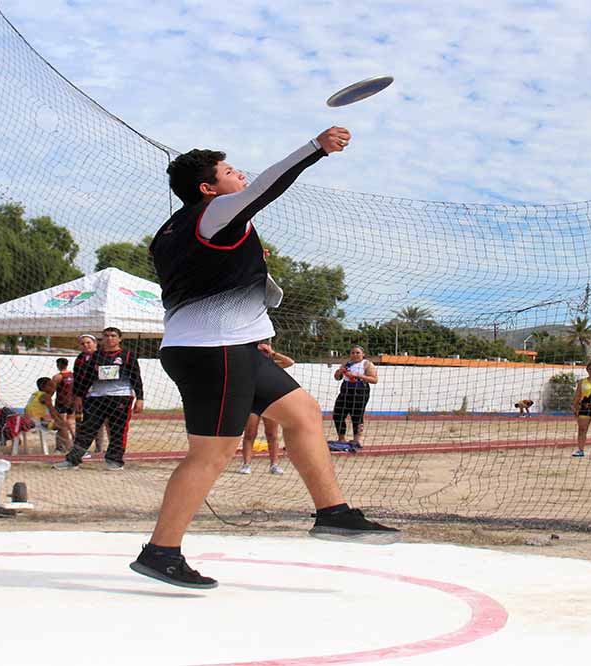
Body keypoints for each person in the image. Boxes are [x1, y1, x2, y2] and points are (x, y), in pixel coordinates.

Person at [134, 126, 399, 589]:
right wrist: (316, 147)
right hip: (212, 351)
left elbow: (206, 272)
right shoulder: (214, 212)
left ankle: (333, 513)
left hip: (226, 346)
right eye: (230, 171)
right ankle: (161, 551)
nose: (240, 175)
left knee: (302, 414)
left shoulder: (172, 230)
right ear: (207, 188)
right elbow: (266, 188)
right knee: (210, 455)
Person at [52, 331, 144, 470]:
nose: (109, 338)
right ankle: (73, 460)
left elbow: (136, 377)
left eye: (113, 336)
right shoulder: (95, 356)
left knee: (117, 430)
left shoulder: (128, 355)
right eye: (106, 336)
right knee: (86, 428)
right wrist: (78, 396)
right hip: (96, 397)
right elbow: (86, 378)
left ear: (119, 339)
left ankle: (115, 461)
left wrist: (140, 398)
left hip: (121, 396)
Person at [238, 343, 294, 475]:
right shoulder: (247, 365)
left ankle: (274, 465)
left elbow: (290, 362)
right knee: (250, 433)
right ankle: (246, 464)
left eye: (264, 351)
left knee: (272, 434)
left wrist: (273, 353)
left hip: (269, 402)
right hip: (252, 402)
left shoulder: (272, 365)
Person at [332, 346, 378, 448]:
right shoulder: (347, 363)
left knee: (356, 416)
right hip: (345, 390)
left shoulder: (367, 364)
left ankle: (358, 439)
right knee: (337, 414)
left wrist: (357, 375)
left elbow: (374, 380)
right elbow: (337, 377)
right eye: (353, 353)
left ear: (363, 354)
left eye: (357, 353)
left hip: (360, 391)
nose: (355, 355)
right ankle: (341, 438)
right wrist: (339, 372)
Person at [51, 357, 76, 451]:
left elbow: (51, 390)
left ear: (58, 365)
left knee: (61, 425)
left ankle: (65, 446)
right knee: (71, 423)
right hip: (72, 402)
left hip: (61, 402)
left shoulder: (58, 377)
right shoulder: (73, 375)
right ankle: (74, 442)